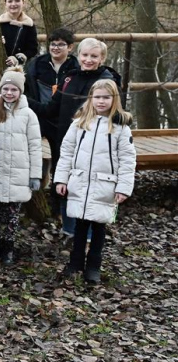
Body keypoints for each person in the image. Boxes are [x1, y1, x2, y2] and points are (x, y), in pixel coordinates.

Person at [55, 79, 136, 284]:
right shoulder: (79, 123)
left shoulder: (120, 127)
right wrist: (61, 179)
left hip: (104, 185)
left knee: (99, 227)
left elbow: (127, 160)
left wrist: (123, 188)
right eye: (97, 97)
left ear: (114, 99)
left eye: (106, 97)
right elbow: (66, 153)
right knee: (80, 225)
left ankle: (94, 266)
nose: (101, 101)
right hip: (80, 182)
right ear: (91, 98)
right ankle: (75, 263)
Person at [41, 37, 122, 236]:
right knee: (65, 184)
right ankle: (69, 230)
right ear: (78, 55)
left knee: (88, 188)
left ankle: (87, 235)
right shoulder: (69, 78)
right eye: (84, 55)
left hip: (94, 145)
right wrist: (25, 101)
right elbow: (52, 108)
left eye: (94, 56)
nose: (88, 60)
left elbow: (115, 114)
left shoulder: (106, 81)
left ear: (102, 58)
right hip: (66, 142)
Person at [0, 69, 42, 264]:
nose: (9, 93)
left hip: (18, 175)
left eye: (14, 89)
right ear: (0, 89)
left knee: (12, 216)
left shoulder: (29, 115)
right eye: (6, 88)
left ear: (20, 91)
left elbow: (35, 146)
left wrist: (35, 175)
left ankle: (8, 249)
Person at [25, 28, 78, 189]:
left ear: (70, 47)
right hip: (39, 115)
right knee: (29, 148)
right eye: (53, 44)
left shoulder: (75, 68)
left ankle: (58, 198)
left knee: (61, 157)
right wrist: (37, 108)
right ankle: (37, 181)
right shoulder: (37, 64)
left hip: (63, 119)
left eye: (61, 45)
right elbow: (26, 90)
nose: (55, 48)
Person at [0, 0, 39, 65]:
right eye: (10, 1)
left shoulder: (29, 24)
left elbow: (32, 50)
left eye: (17, 1)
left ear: (23, 3)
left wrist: (18, 59)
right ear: (5, 4)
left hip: (19, 68)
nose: (13, 4)